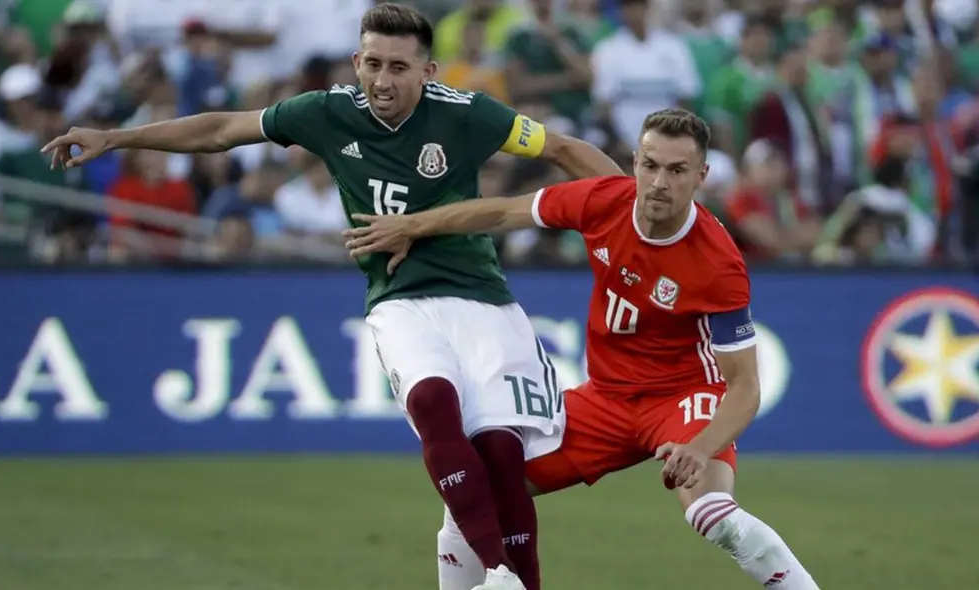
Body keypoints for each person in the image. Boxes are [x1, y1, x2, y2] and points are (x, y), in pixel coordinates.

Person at [40, 4, 623, 590]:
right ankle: (497, 574)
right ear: (355, 61)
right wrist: (116, 137)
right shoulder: (327, 112)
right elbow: (222, 130)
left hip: (482, 298)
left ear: (429, 72)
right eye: (372, 63)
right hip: (400, 299)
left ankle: (511, 579)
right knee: (432, 404)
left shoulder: (469, 114)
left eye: (399, 67)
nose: (383, 80)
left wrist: (632, 208)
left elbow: (564, 151)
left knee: (501, 455)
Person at [343, 109, 822, 590]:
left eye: (677, 171)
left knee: (714, 517)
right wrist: (414, 225)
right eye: (650, 165)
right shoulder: (604, 201)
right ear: (634, 162)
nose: (659, 182)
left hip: (681, 399)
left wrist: (701, 449)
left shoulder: (718, 262)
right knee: (474, 492)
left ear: (701, 176)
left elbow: (744, 386)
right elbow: (503, 211)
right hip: (606, 401)